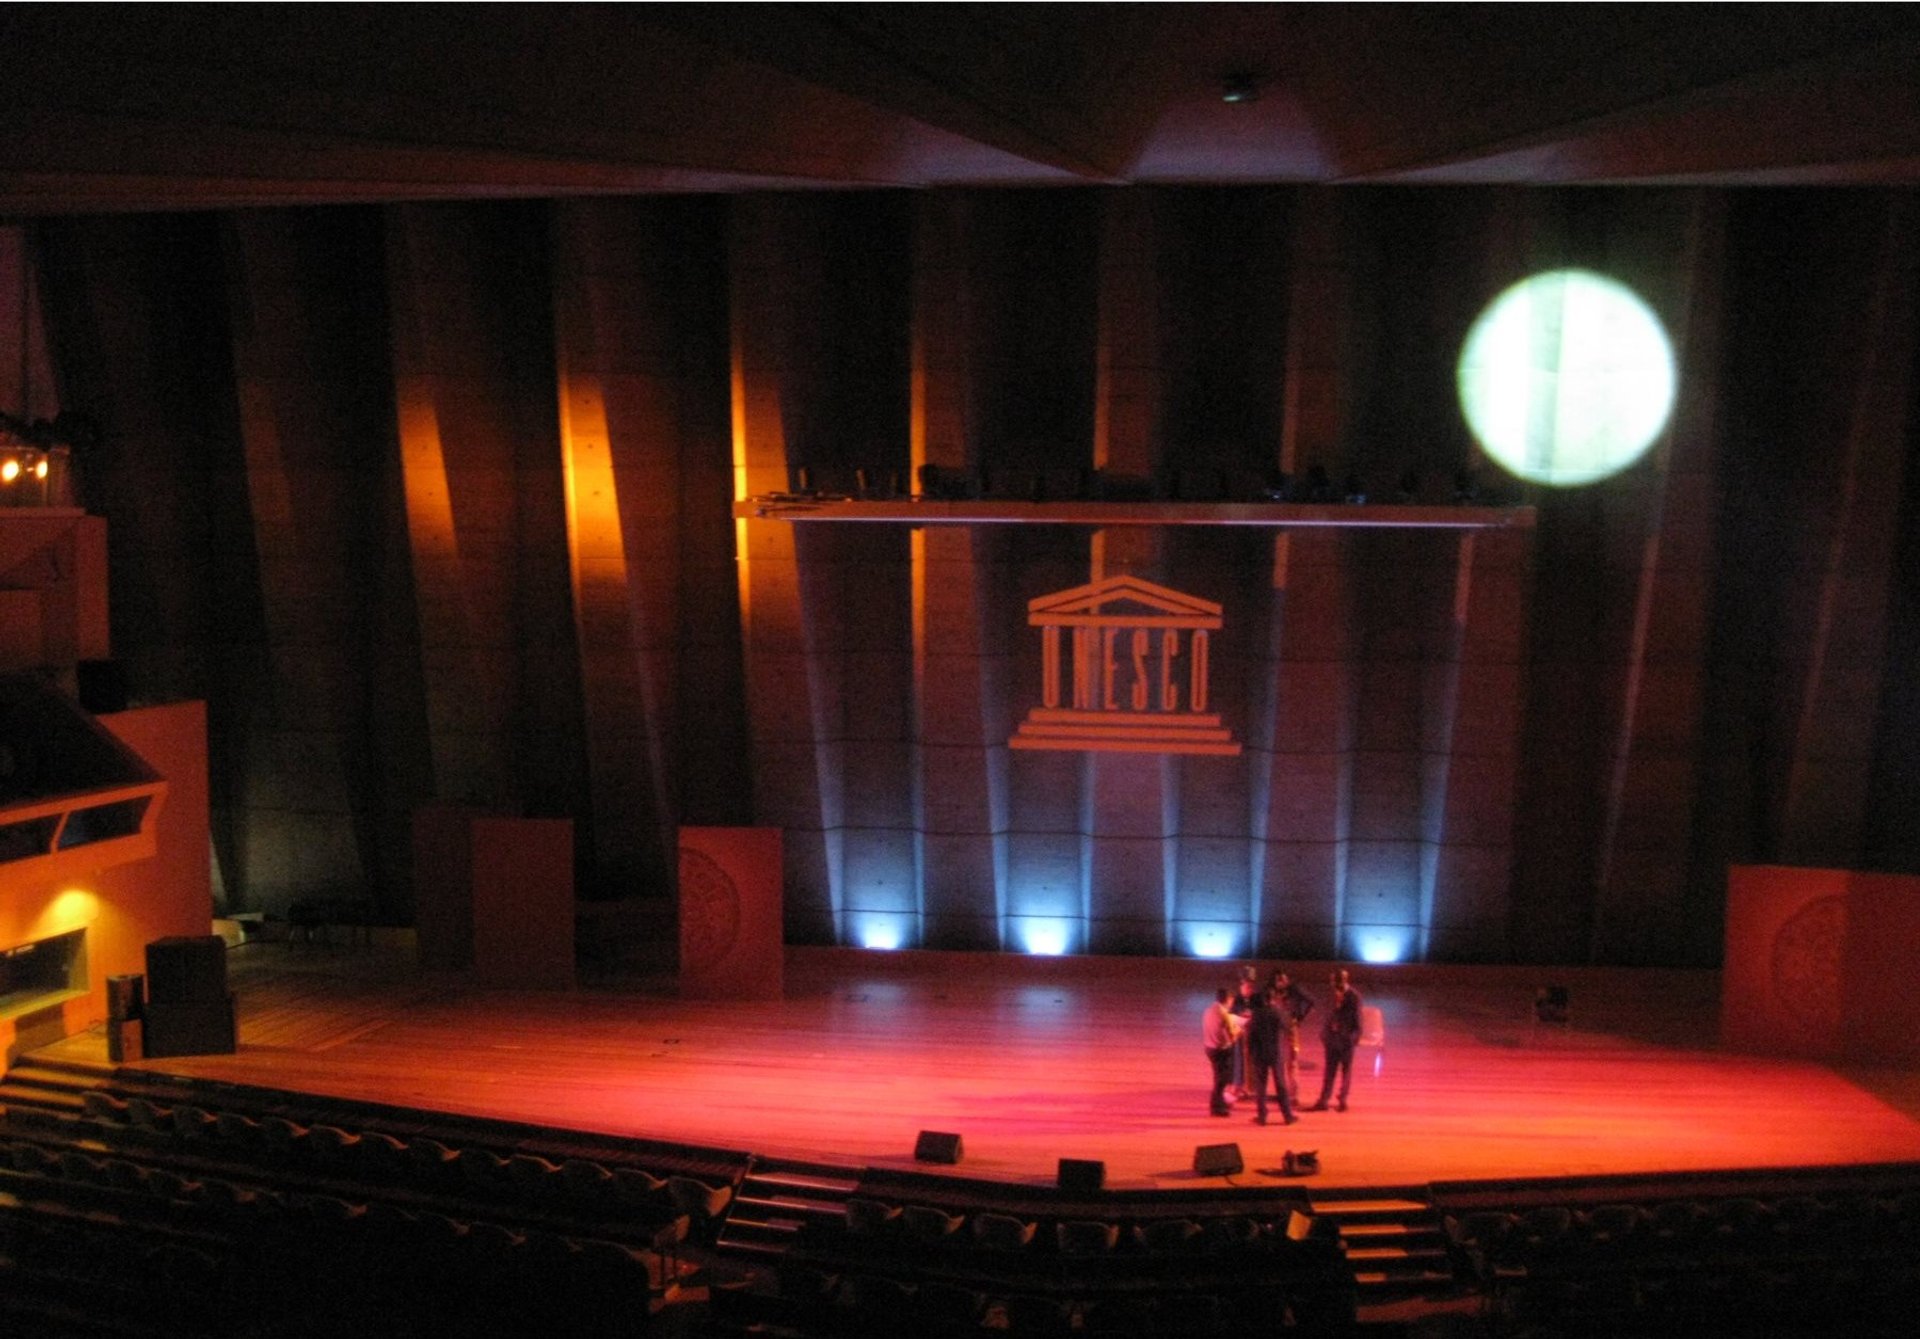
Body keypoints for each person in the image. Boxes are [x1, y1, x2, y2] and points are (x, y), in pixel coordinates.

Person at [1305, 968, 1361, 1112]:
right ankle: (1324, 1100)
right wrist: (1325, 1035)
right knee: (1329, 1072)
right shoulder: (1331, 996)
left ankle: (1342, 1100)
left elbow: (1358, 1022)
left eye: (1336, 983)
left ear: (1343, 981)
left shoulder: (1354, 997)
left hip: (1346, 1041)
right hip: (1332, 1041)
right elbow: (1328, 1016)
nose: (1334, 986)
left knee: (1346, 1072)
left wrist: (1352, 1040)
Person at [1243, 988, 1296, 1126]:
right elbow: (1289, 1027)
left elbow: (1251, 1038)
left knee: (1261, 1086)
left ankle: (1262, 1116)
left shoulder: (1256, 1015)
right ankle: (1287, 1116)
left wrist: (1250, 1054)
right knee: (1281, 1085)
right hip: (1276, 1054)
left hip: (1260, 1055)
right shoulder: (1277, 1012)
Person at [1270, 970, 1315, 1103]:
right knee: (1280, 1063)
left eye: (1282, 980)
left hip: (1290, 1030)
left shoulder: (1294, 991)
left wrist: (1300, 1017)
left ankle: (1294, 1095)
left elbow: (1311, 1001)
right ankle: (1283, 1093)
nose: (1280, 983)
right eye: (1278, 981)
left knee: (1291, 1062)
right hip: (1277, 1031)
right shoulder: (1273, 992)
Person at [1202, 987, 1240, 1117]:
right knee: (1222, 1080)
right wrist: (1239, 1030)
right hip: (1221, 1050)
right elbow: (1232, 1036)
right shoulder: (1224, 1015)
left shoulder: (1208, 1010)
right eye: (1231, 999)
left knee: (1218, 1078)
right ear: (1227, 999)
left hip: (1209, 1048)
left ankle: (1220, 1103)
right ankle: (1216, 1107)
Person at [1226, 969, 1258, 1101]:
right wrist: (1240, 1017)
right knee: (1238, 1061)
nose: (1248, 988)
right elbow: (1229, 1016)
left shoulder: (1257, 999)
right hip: (1239, 1036)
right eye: (1245, 985)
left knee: (1253, 1062)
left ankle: (1251, 1087)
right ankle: (1237, 1084)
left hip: (1253, 1036)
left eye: (1251, 986)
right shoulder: (1236, 999)